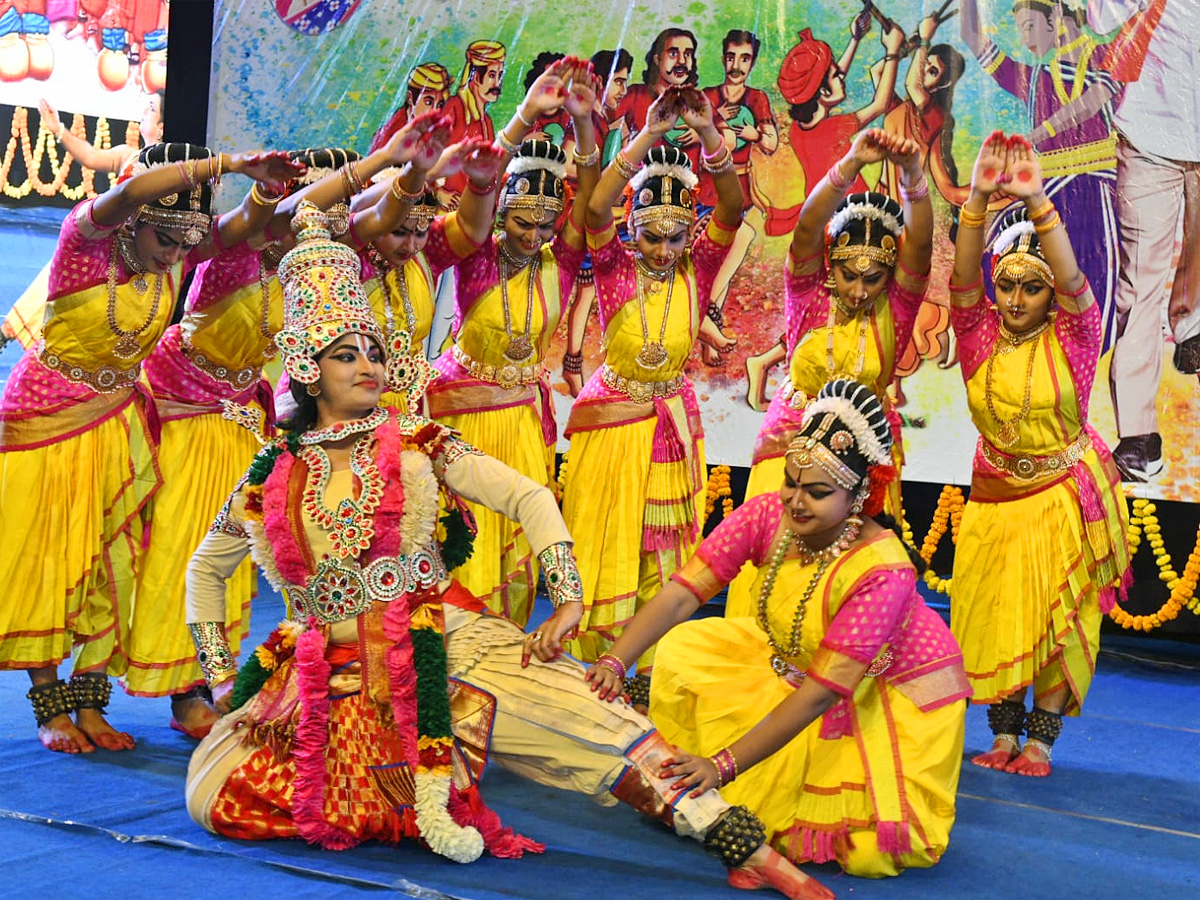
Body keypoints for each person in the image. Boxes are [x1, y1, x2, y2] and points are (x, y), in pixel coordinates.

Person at [183, 203, 831, 900]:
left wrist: (569, 595)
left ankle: (742, 844)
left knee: (598, 725)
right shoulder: (272, 471)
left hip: (442, 641)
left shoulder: (422, 444)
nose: (368, 364)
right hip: (323, 675)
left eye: (374, 349)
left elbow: (529, 497)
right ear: (309, 372)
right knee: (210, 794)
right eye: (348, 354)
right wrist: (223, 679)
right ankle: (419, 776)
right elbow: (204, 570)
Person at [586, 378, 970, 878]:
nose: (795, 501)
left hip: (884, 695)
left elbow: (819, 695)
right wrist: (616, 659)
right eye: (790, 481)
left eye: (816, 492)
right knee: (683, 648)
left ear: (858, 495)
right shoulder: (769, 513)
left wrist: (720, 765)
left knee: (862, 848)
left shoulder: (883, 571)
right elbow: (685, 592)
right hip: (794, 664)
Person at [0, 142, 302, 754]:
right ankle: (49, 706)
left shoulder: (173, 256)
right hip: (45, 419)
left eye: (186, 243)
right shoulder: (82, 246)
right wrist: (229, 164)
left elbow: (243, 227)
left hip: (119, 420)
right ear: (134, 223)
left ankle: (89, 700)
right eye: (166, 239)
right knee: (50, 554)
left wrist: (263, 189)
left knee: (111, 562)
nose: (176, 255)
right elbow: (130, 192)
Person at [128, 147, 368, 739]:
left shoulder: (309, 275)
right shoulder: (235, 253)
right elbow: (250, 220)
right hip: (181, 412)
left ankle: (215, 678)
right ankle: (180, 690)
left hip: (240, 423)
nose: (317, 228)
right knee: (177, 553)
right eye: (309, 215)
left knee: (234, 564)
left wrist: (396, 164)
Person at [947, 132, 1130, 776]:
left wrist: (1036, 205)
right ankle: (1000, 736)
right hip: (996, 498)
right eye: (1008, 286)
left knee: (1060, 621)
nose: (1017, 298)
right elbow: (961, 276)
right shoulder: (975, 335)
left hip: (1061, 497)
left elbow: (1079, 281)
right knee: (997, 613)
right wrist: (977, 199)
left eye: (1032, 288)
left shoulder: (1077, 337)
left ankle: (1041, 742)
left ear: (1050, 296)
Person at [561, 87, 743, 676]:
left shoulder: (699, 265)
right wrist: (645, 136)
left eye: (676, 236)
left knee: (664, 551)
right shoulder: (614, 265)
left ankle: (646, 670)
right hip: (611, 425)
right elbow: (593, 212)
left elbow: (734, 213)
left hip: (669, 424)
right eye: (652, 236)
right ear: (632, 230)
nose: (665, 250)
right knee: (601, 542)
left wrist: (710, 135)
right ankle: (587, 664)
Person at [728, 128, 932, 616]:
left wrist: (912, 178)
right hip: (788, 448)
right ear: (830, 267)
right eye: (848, 275)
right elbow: (804, 229)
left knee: (846, 581)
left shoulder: (896, 308)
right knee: (771, 570)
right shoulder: (808, 295)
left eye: (873, 278)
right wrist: (851, 162)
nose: (859, 290)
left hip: (863, 462)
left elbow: (920, 247)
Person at [426, 58, 600, 627]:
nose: (534, 236)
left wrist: (580, 125)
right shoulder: (476, 251)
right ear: (503, 211)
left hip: (523, 425)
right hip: (461, 422)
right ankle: (451, 672)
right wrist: (525, 117)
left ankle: (498, 666)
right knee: (462, 560)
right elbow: (482, 184)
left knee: (516, 561)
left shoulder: (562, 262)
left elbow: (590, 203)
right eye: (523, 222)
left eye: (545, 226)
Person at [961, 0, 1122, 351]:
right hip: (1049, 195)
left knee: (1096, 285)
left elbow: (1092, 102)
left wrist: (1037, 135)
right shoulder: (1034, 78)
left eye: (1030, 27)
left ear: (1057, 19)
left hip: (1096, 195)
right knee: (999, 251)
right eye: (1020, 30)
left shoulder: (1110, 56)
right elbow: (971, 36)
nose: (1024, 39)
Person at [1094, 0, 1200, 481]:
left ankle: (1190, 324)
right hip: (1148, 133)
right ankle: (1137, 431)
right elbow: (1100, 19)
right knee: (1138, 286)